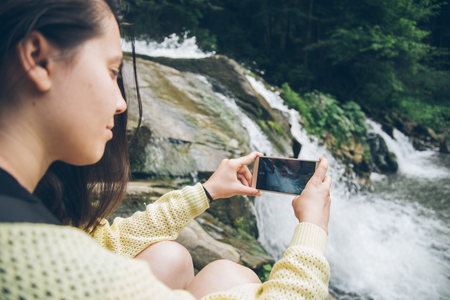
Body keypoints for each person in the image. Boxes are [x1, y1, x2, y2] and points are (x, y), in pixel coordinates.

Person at [0, 0, 332, 299]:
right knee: (231, 276)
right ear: (38, 59)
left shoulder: (29, 215)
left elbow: (107, 243)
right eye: (112, 71)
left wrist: (207, 191)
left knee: (170, 258)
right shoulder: (43, 260)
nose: (120, 104)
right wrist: (313, 224)